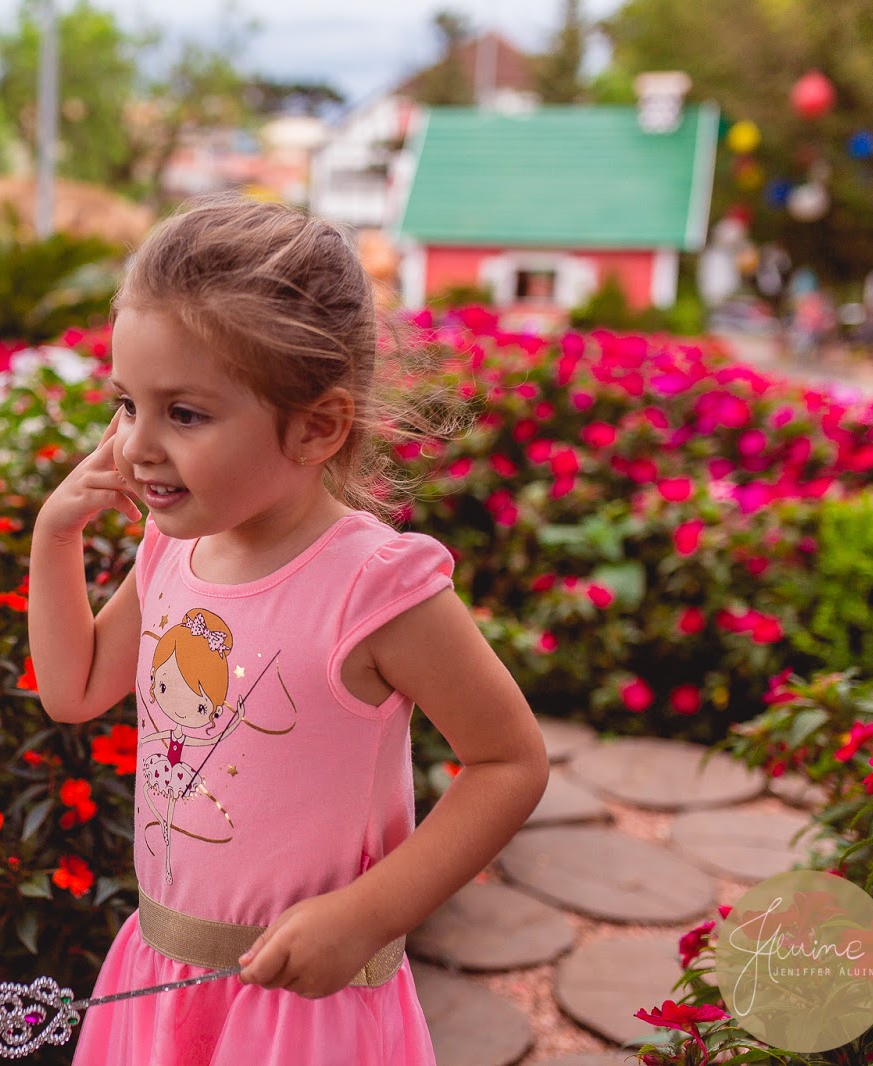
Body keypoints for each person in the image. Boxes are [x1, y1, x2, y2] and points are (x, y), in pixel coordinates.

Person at [27, 196, 549, 1065]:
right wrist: (55, 537)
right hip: (162, 974)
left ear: (316, 428)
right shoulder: (171, 550)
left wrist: (364, 917)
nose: (136, 447)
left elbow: (510, 762)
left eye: (183, 414)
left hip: (301, 1013)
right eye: (126, 404)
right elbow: (73, 690)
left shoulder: (373, 587)